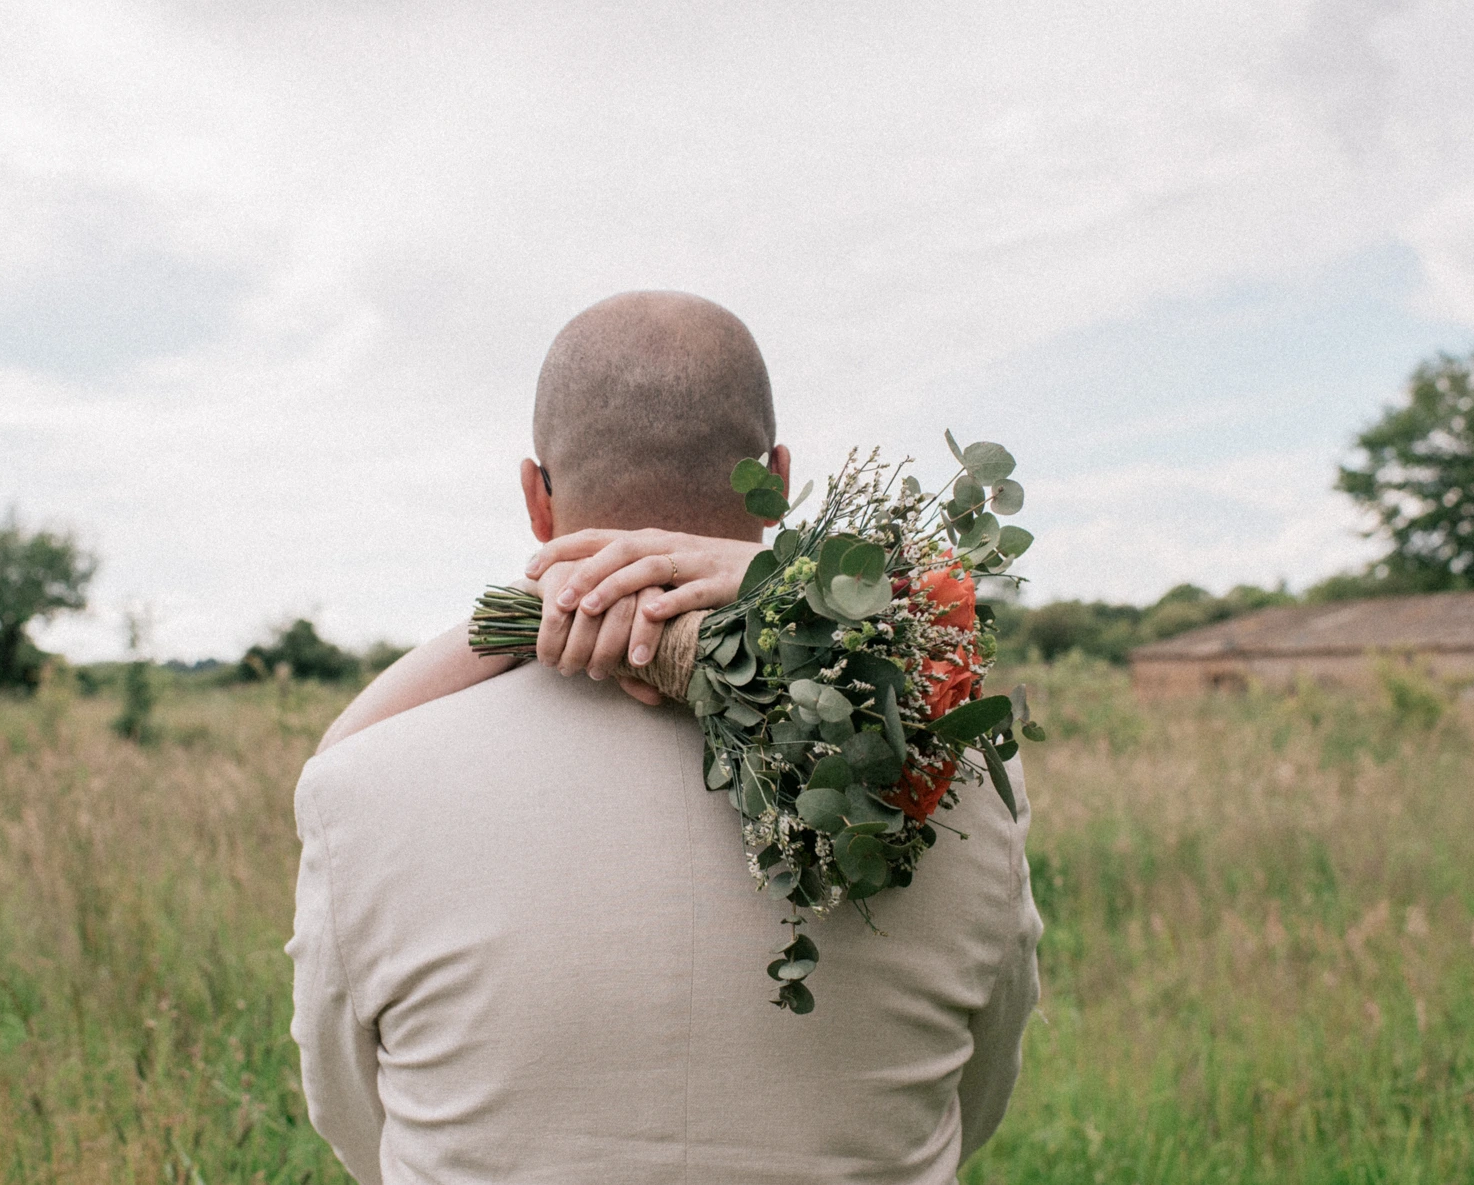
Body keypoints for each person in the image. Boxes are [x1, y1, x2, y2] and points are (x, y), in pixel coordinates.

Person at [288, 291, 1042, 1184]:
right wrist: (777, 585)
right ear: (776, 481)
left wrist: (559, 596)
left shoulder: (363, 794)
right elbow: (977, 1098)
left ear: (536, 495)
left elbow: (355, 1121)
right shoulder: (949, 781)